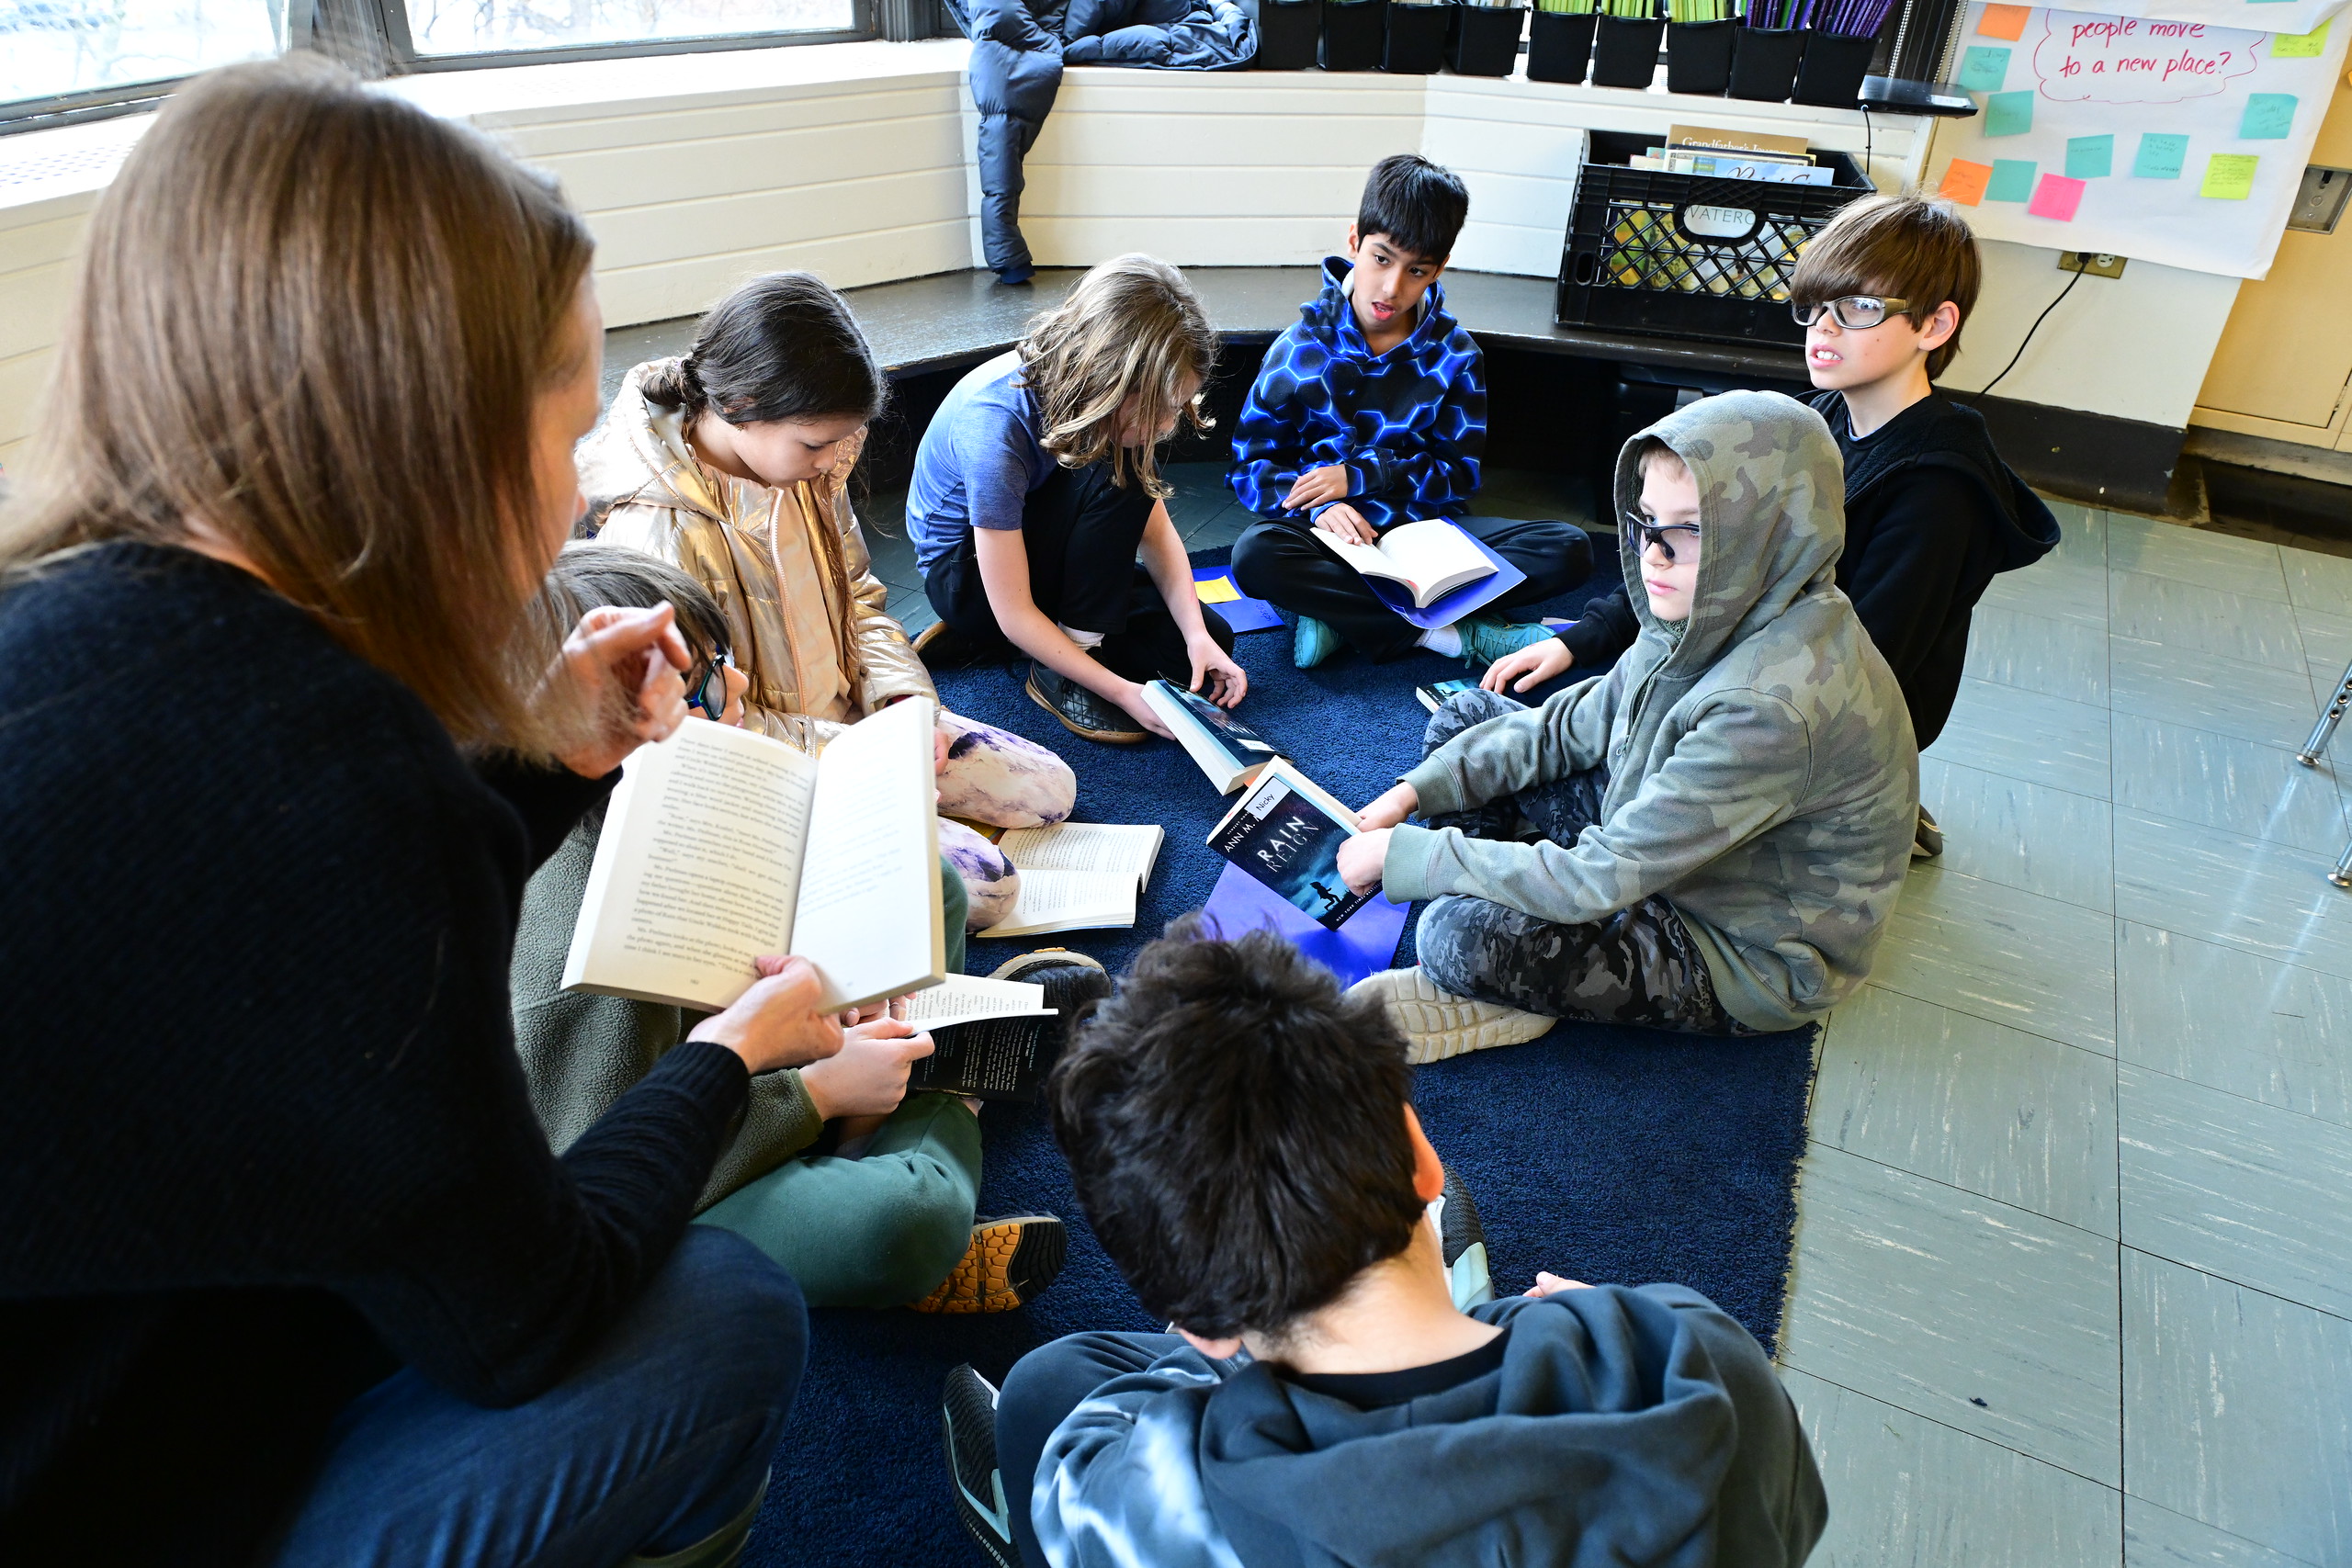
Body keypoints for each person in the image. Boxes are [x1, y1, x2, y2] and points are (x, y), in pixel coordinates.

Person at [0, 58, 838, 1568]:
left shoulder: (60, 623)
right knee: (726, 1315)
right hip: (114, 1494)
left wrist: (535, 755)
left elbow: (276, 971)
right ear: (426, 436)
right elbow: (524, 1317)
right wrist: (733, 1056)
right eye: (566, 433)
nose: (581, 496)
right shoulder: (334, 776)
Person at [938, 921, 1827, 1568]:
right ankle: (1471, 1311)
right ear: (1422, 1154)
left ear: (1198, 1326)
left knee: (1053, 1386)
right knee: (1517, 1321)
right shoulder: (1697, 1352)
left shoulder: (1137, 1505)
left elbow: (1106, 1481)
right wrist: (1599, 1325)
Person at [513, 544, 1102, 1314]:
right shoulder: (562, 950)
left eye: (719, 662)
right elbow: (605, 1173)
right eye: (700, 692)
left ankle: (915, 1075)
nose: (739, 686)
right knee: (901, 1224)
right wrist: (816, 1094)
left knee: (932, 886)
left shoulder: (652, 804)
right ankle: (956, 1089)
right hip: (658, 1182)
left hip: (736, 1065)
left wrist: (827, 995)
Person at [1340, 393, 1918, 1058]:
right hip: (1672, 844)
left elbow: (1604, 874)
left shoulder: (1768, 708)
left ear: (1769, 532)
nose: (1654, 555)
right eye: (1646, 522)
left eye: (1692, 529)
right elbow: (1574, 724)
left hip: (1738, 942)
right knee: (1463, 723)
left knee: (1449, 931)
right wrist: (1412, 793)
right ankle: (1518, 929)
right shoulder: (1714, 602)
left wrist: (1421, 857)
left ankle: (1511, 972)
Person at [1484, 194, 2058, 858]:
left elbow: (1861, 673)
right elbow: (1697, 538)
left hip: (1836, 702)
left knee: (1606, 769)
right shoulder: (1816, 423)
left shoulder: (1939, 491)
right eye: (1815, 307)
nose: (1823, 329)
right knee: (1569, 713)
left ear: (1934, 325)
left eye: (1859, 309)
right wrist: (1583, 639)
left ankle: (1860, 805)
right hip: (1771, 650)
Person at [581, 270, 1077, 931]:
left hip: (855, 729)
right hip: (767, 768)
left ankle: (898, 819)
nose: (831, 460)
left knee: (1051, 792)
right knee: (987, 890)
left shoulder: (808, 466)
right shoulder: (657, 533)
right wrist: (865, 762)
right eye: (815, 443)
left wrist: (906, 707)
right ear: (742, 404)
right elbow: (701, 731)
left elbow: (862, 603)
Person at [1227, 154, 1593, 671]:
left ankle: (1340, 614)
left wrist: (1361, 476)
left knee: (1568, 548)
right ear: (1354, 241)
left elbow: (1458, 476)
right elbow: (1251, 468)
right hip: (1328, 540)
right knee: (1255, 555)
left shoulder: (1458, 356)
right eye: (1381, 259)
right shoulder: (1296, 349)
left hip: (1428, 543)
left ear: (1438, 270)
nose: (1392, 287)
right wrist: (1318, 508)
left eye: (1416, 270)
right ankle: (1454, 635)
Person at [905, 254, 1249, 745]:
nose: (1169, 426)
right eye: (1160, 409)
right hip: (970, 579)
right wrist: (1121, 692)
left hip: (1044, 541)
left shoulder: (1096, 399)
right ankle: (1056, 667)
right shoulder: (994, 426)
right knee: (1117, 477)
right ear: (1108, 380)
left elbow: (1153, 530)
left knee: (1205, 645)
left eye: (1176, 407)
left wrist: (1195, 634)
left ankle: (1042, 646)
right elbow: (1014, 610)